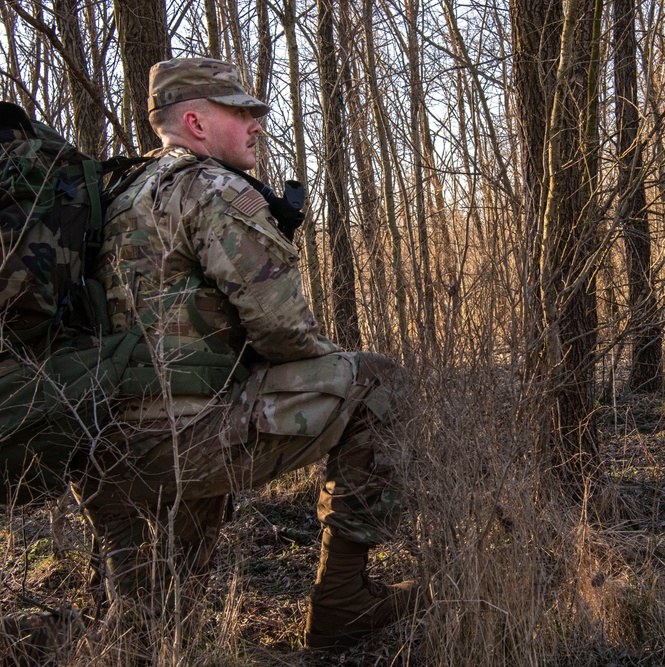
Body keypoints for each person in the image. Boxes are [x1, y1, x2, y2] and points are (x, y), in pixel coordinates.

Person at [69, 57, 421, 650]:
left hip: (104, 450)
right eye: (242, 112)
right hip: (187, 443)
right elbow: (285, 332)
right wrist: (322, 362)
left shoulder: (117, 195)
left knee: (152, 630)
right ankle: (344, 601)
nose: (258, 123)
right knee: (373, 380)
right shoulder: (212, 188)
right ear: (195, 121)